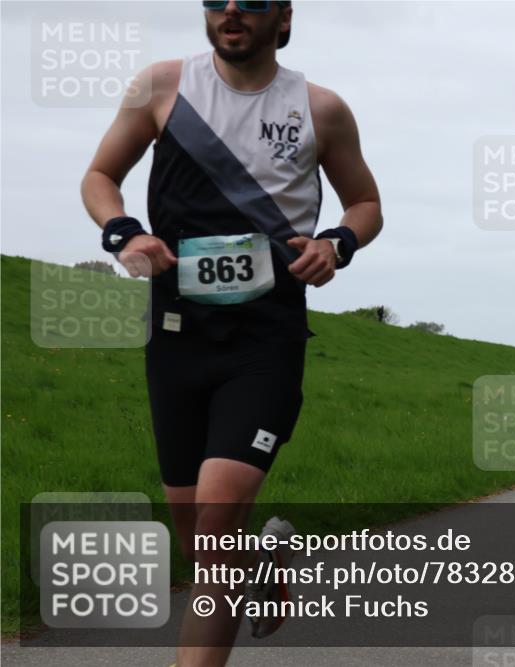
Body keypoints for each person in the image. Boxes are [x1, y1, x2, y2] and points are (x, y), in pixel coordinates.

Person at [81, 1, 383, 662]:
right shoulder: (162, 86)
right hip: (176, 336)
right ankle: (264, 559)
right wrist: (124, 232)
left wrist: (336, 243)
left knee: (217, 519)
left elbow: (366, 203)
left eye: (252, 1)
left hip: (264, 341)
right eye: (217, 0)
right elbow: (100, 176)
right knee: (203, 546)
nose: (232, 10)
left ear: (284, 17)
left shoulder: (320, 108)